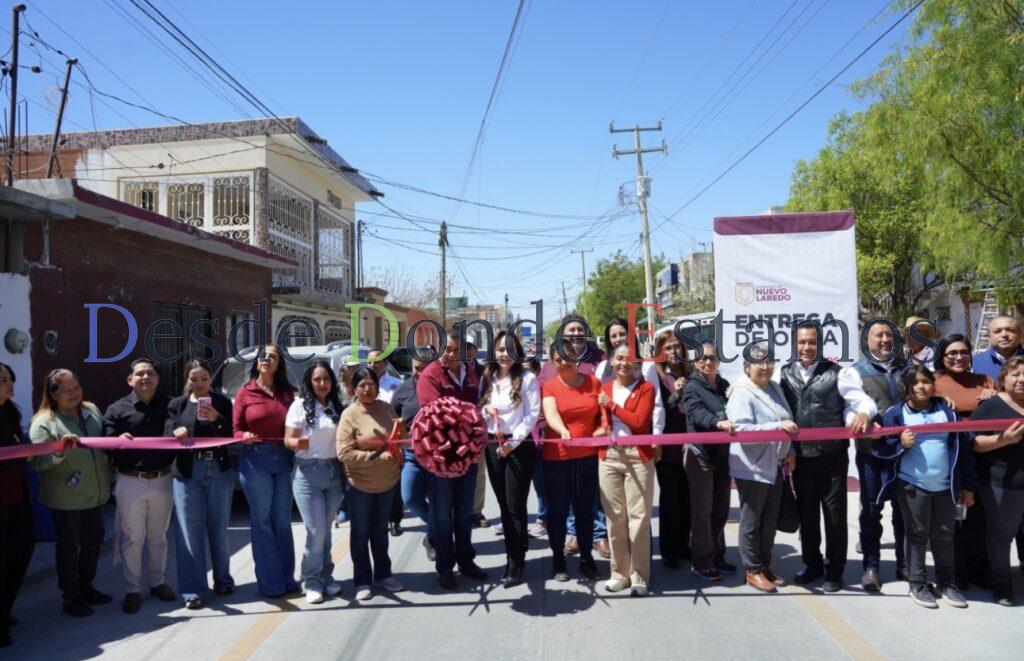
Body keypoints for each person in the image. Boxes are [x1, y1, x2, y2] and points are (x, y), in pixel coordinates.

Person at [780, 324, 876, 592]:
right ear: (794, 344)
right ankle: (811, 564)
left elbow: (862, 402)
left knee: (834, 517)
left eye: (812, 342)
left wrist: (864, 415)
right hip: (801, 459)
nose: (806, 347)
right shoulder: (785, 373)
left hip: (832, 457)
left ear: (820, 345)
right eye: (802, 342)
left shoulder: (839, 373)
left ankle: (835, 571)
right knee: (807, 516)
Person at [874, 365, 977, 609]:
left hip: (945, 487)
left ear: (933, 384)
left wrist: (969, 486)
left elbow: (964, 453)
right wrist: (901, 444)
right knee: (917, 535)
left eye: (926, 381)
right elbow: (880, 449)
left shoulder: (948, 411)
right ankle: (918, 583)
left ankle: (947, 582)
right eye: (915, 382)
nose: (921, 386)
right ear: (905, 387)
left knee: (944, 536)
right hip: (913, 486)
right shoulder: (895, 414)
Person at [29, 369, 113, 617]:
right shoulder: (44, 422)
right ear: (53, 394)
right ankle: (71, 596)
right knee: (68, 548)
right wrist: (59, 451)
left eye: (77, 387)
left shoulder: (92, 410)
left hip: (95, 494)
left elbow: (105, 442)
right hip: (67, 499)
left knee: (92, 544)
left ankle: (86, 587)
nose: (75, 393)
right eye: (67, 390)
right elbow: (38, 463)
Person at [102, 359, 177, 614]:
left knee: (159, 537)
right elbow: (105, 439)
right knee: (132, 539)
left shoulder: (171, 405)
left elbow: (183, 428)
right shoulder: (116, 408)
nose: (146, 377)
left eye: (150, 373)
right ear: (130, 380)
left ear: (157, 377)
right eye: (140, 373)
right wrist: (116, 440)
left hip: (163, 479)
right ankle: (132, 589)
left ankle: (157, 582)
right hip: (130, 479)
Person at [417, 334, 488, 590]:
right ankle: (445, 568)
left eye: (456, 350)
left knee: (465, 512)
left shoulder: (471, 373)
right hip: (442, 457)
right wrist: (470, 417)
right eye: (446, 349)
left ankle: (466, 561)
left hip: (468, 455)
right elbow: (435, 414)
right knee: (443, 515)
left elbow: (481, 405)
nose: (450, 354)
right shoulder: (430, 375)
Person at [842, 320, 908, 591]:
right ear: (865, 340)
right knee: (871, 511)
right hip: (872, 453)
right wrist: (862, 417)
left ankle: (906, 564)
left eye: (889, 335)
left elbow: (925, 395)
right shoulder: (854, 371)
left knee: (905, 510)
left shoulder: (909, 368)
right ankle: (871, 566)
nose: (884, 340)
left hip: (907, 451)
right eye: (878, 335)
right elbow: (851, 405)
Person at [727, 344, 797, 593]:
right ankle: (752, 569)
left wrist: (790, 450)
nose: (765, 367)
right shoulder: (742, 392)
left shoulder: (774, 387)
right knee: (752, 520)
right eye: (759, 362)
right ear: (747, 367)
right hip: (752, 467)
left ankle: (764, 565)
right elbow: (740, 430)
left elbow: (789, 422)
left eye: (769, 362)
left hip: (775, 466)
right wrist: (778, 428)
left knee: (769, 522)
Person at [166, 360, 235, 610]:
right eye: (194, 379)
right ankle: (193, 590)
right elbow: (167, 431)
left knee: (218, 529)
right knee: (189, 533)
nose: (199, 383)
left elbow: (231, 433)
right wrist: (176, 431)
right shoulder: (177, 405)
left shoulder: (223, 402)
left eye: (204, 378)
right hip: (188, 473)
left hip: (218, 469)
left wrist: (217, 418)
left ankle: (223, 579)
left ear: (210, 378)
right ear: (188, 380)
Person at [233, 344, 299, 598]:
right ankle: (271, 584)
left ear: (279, 363)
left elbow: (296, 423)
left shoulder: (286, 393)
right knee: (262, 522)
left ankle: (287, 579)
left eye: (272, 356)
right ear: (256, 361)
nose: (266, 359)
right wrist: (244, 436)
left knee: (282, 522)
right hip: (255, 460)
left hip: (283, 459)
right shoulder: (245, 392)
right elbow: (235, 429)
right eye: (263, 356)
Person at [535, 315, 606, 544]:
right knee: (566, 494)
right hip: (559, 442)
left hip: (590, 440)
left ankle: (598, 533)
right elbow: (541, 398)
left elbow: (604, 398)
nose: (575, 333)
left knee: (591, 492)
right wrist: (546, 428)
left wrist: (602, 427)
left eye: (579, 329)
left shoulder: (599, 358)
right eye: (570, 330)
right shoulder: (549, 367)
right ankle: (573, 533)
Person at [933, 334, 997, 590]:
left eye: (963, 352)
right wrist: (937, 402)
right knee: (953, 521)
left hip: (985, 456)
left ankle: (980, 570)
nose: (958, 357)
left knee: (978, 519)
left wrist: (997, 394)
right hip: (952, 460)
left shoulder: (985, 381)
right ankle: (956, 573)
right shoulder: (935, 383)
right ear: (942, 357)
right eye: (952, 353)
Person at [337, 367, 405, 600]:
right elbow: (343, 453)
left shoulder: (387, 409)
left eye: (371, 384)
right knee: (360, 533)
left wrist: (399, 442)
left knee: (380, 531)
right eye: (362, 385)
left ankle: (383, 575)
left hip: (387, 482)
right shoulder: (349, 414)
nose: (368, 389)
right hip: (360, 485)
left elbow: (398, 440)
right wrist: (375, 457)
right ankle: (362, 581)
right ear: (354, 389)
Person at [480, 331, 541, 588]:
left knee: (515, 505)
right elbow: (481, 407)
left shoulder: (527, 379)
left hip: (518, 447)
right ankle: (512, 554)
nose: (505, 355)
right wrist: (486, 410)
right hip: (494, 445)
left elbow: (532, 415)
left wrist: (512, 444)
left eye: (510, 349)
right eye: (501, 350)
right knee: (504, 505)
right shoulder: (489, 377)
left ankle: (516, 564)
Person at [541, 341, 604, 582]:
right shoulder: (549, 386)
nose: (563, 363)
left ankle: (587, 558)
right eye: (557, 360)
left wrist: (601, 430)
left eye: (567, 357)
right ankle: (559, 559)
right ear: (552, 362)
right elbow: (551, 412)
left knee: (584, 510)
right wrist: (562, 430)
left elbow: (603, 414)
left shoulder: (593, 383)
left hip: (587, 458)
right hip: (557, 458)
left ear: (576, 357)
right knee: (557, 512)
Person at [597, 344, 657, 596]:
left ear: (636, 364)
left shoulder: (646, 388)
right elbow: (601, 423)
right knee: (615, 518)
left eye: (629, 360)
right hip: (609, 457)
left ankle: (639, 575)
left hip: (638, 456)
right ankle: (619, 573)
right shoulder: (606, 387)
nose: (624, 363)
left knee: (639, 518)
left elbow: (639, 423)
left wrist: (611, 405)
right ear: (611, 361)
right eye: (619, 358)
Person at [284, 361, 345, 604]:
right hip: (307, 474)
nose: (322, 384)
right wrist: (298, 443)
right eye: (317, 379)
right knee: (316, 530)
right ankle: (310, 580)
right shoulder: (299, 405)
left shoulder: (336, 406)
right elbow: (288, 440)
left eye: (326, 379)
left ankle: (325, 576)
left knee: (326, 530)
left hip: (333, 472)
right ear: (310, 382)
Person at [969, 356, 1024, 606]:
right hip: (1002, 484)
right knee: (1001, 536)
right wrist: (1003, 440)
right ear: (1004, 379)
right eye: (1015, 374)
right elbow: (975, 443)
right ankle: (1002, 585)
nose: (1021, 379)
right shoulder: (992, 405)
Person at [682, 341, 735, 581]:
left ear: (719, 361)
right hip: (699, 455)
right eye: (702, 358)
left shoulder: (723, 385)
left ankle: (718, 556)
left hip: (722, 456)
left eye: (712, 358)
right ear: (695, 362)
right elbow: (696, 413)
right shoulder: (691, 387)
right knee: (702, 512)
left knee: (720, 510)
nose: (707, 362)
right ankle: (702, 562)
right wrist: (717, 423)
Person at [648, 329, 692, 569]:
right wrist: (675, 393)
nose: (674, 352)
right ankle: (669, 550)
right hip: (668, 449)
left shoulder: (691, 373)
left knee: (687, 500)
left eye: (677, 347)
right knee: (670, 501)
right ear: (660, 353)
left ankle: (685, 545)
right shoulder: (657, 376)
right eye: (668, 348)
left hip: (692, 448)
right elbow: (657, 409)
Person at [0, 362, 34, 647]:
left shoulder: (11, 413)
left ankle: (6, 609)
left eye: (10, 378)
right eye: (2, 380)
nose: (9, 384)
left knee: (21, 549)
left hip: (17, 495)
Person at [394, 350, 433, 558]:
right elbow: (391, 419)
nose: (420, 373)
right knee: (409, 498)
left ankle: (434, 539)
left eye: (425, 368)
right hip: (411, 455)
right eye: (417, 368)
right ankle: (437, 526)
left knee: (439, 501)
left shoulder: (439, 386)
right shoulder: (402, 390)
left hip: (437, 456)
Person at [369, 350, 405, 537]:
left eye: (376, 361)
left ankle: (394, 519)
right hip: (369, 440)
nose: (372, 365)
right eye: (369, 362)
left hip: (391, 440)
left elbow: (400, 414)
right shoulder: (363, 384)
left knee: (393, 482)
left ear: (384, 363)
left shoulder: (396, 385)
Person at [463, 336, 491, 530]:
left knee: (479, 473)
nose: (466, 351)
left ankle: (476, 511)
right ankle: (460, 511)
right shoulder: (452, 371)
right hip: (457, 430)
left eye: (469, 347)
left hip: (479, 429)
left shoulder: (484, 372)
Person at [972, 316, 1023, 382]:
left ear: (1020, 334)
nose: (1004, 334)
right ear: (989, 337)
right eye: (997, 331)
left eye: (1010, 330)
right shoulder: (974, 363)